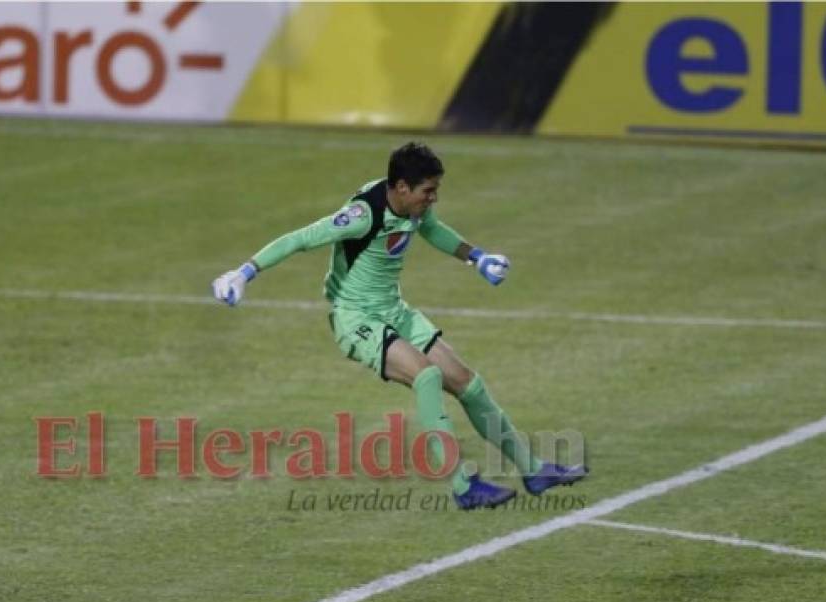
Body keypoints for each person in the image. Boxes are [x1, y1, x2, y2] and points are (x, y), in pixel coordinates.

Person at [212, 142, 586, 509]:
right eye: (429, 191)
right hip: (356, 318)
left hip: (394, 310)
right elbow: (300, 239)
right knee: (426, 378)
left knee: (467, 383)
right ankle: (462, 485)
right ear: (403, 188)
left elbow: (434, 230)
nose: (433, 198)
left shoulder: (411, 207)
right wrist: (244, 273)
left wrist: (477, 257)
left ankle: (534, 470)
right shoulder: (363, 214)